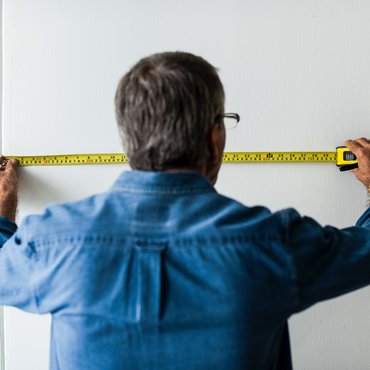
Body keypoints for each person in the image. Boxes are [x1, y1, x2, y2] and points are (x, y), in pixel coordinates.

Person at [0, 51, 370, 370]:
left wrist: (3, 215)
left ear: (128, 138)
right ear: (214, 138)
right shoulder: (274, 243)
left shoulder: (51, 243)